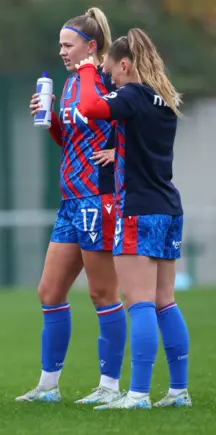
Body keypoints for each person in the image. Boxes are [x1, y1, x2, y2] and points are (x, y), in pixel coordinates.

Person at [16, 7, 127, 405]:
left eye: (68, 45)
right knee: (49, 292)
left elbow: (138, 123)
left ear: (90, 46)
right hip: (70, 201)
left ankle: (111, 388)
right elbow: (73, 141)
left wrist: (120, 151)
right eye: (60, 45)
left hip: (98, 199)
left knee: (102, 294)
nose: (61, 51)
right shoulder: (67, 84)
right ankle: (48, 387)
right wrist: (53, 126)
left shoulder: (107, 79)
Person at [75, 28, 190, 410]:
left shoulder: (134, 95)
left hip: (138, 209)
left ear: (125, 65)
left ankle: (138, 393)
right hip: (169, 208)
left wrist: (88, 71)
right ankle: (178, 391)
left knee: (138, 302)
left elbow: (90, 107)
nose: (108, 77)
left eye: (111, 71)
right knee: (165, 301)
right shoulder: (164, 97)